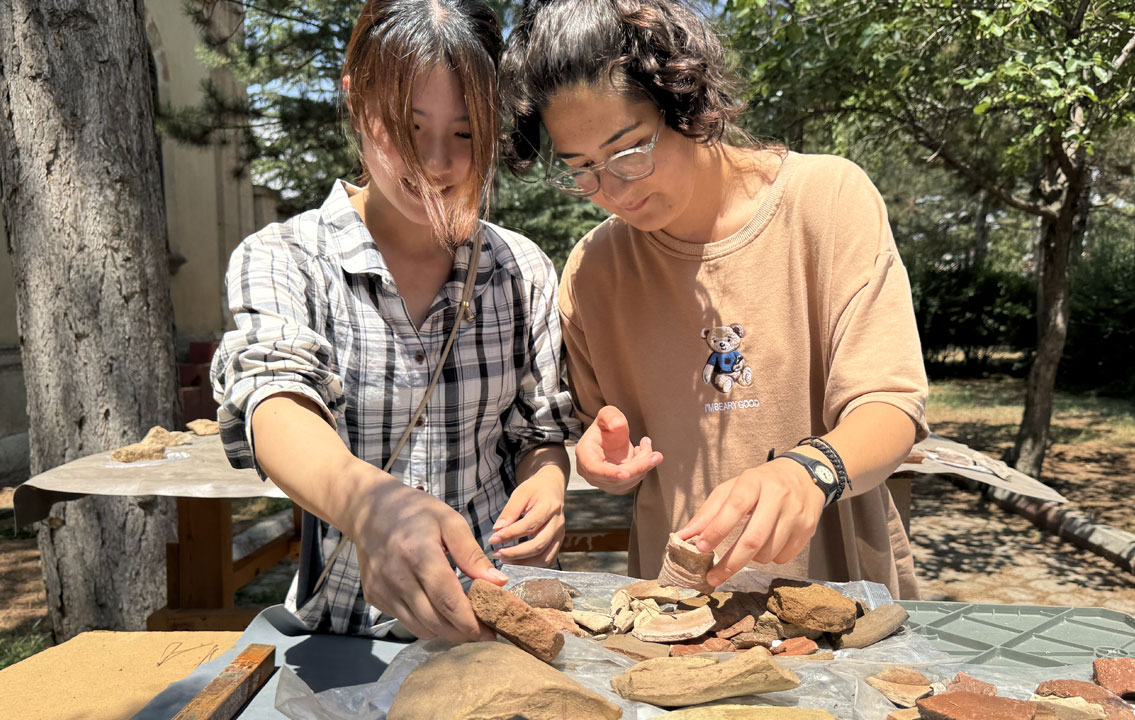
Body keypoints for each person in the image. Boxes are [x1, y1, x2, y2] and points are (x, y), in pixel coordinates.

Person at [501, 0, 928, 598]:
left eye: (629, 151)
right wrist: (602, 463)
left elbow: (891, 407)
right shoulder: (595, 271)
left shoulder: (828, 202)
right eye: (582, 168)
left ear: (687, 101)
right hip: (675, 609)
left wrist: (808, 472)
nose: (613, 191)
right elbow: (604, 443)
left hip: (840, 597)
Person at [211, 0, 579, 640]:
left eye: (466, 135)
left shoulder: (520, 269)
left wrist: (546, 484)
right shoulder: (286, 259)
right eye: (409, 129)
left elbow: (536, 432)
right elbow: (274, 398)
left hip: (497, 622)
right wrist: (370, 505)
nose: (437, 164)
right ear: (356, 102)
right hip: (347, 631)